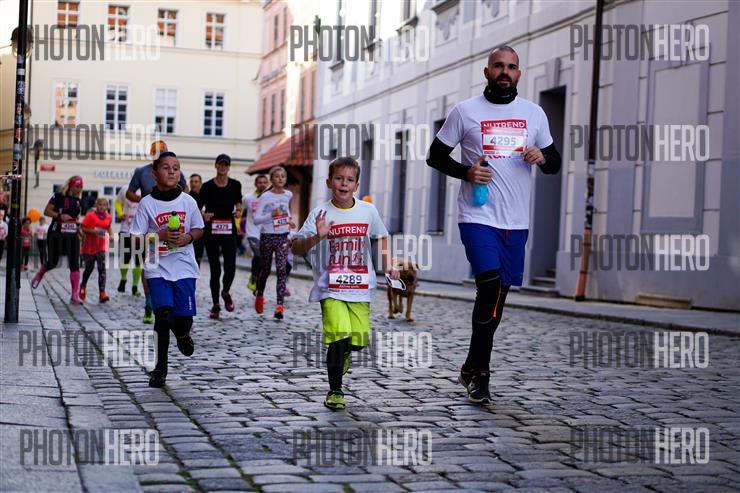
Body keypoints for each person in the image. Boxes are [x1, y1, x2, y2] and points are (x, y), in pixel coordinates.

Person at [426, 46, 562, 404]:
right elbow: (435, 156)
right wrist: (466, 172)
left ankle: (471, 364)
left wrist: (542, 155)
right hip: (477, 216)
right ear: (487, 72)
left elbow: (555, 162)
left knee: (499, 296)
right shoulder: (465, 111)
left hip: (515, 222)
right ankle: (481, 375)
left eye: (512, 67)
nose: (505, 72)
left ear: (519, 74)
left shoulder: (534, 114)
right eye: (498, 66)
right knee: (487, 286)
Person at [292, 157, 399, 410]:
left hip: (360, 287)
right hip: (330, 287)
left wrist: (389, 264)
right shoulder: (320, 213)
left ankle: (343, 355)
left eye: (349, 180)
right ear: (329, 182)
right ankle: (335, 390)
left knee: (358, 341)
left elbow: (382, 236)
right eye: (339, 178)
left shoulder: (367, 211)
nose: (344, 183)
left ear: (356, 185)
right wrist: (317, 237)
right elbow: (296, 248)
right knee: (338, 339)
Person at [129, 151, 204, 388]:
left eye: (176, 167)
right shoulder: (147, 203)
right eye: (166, 167)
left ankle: (182, 334)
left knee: (183, 321)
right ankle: (160, 368)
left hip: (184, 268)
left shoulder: (188, 201)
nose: (172, 171)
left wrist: (187, 238)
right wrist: (158, 236)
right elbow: (134, 239)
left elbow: (199, 228)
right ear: (154, 174)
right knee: (162, 316)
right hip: (157, 267)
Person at [126, 140, 187, 323]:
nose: (159, 154)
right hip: (148, 221)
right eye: (156, 152)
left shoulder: (173, 169)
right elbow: (129, 193)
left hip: (170, 220)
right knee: (149, 264)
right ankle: (149, 301)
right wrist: (145, 201)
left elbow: (185, 189)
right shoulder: (141, 171)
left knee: (171, 258)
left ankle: (169, 299)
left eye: (163, 151)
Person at [199, 154, 242, 319]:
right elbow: (198, 207)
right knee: (215, 269)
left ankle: (225, 291)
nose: (223, 167)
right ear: (216, 166)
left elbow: (238, 202)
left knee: (230, 266)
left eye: (226, 165)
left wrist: (238, 210)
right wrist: (203, 215)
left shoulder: (235, 185)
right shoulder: (207, 186)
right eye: (220, 164)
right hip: (212, 231)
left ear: (229, 167)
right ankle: (215, 304)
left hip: (228, 230)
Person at [31, 175, 85, 304]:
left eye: (81, 187)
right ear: (70, 185)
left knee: (75, 263)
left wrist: (78, 226)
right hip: (56, 233)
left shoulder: (78, 200)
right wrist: (60, 215)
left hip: (72, 234)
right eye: (77, 186)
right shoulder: (59, 196)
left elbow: (75, 217)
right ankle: (40, 274)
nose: (79, 189)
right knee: (53, 262)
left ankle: (74, 294)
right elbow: (47, 211)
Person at [253, 166, 295, 319]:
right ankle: (260, 294)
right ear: (271, 179)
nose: (280, 179)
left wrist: (289, 221)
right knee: (265, 270)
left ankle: (279, 306)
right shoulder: (265, 196)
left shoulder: (288, 195)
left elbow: (286, 211)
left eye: (283, 176)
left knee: (281, 269)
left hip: (282, 236)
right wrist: (271, 215)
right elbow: (256, 220)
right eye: (277, 176)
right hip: (267, 236)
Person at [80, 197, 113, 303]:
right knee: (89, 269)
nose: (102, 207)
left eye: (104, 205)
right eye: (100, 204)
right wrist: (92, 232)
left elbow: (108, 227)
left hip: (101, 247)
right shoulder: (90, 216)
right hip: (89, 247)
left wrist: (111, 235)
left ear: (107, 207)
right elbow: (82, 228)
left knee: (102, 270)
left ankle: (102, 293)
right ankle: (83, 286)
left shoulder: (108, 217)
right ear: (96, 205)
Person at [243, 174, 268, 293]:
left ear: (267, 184)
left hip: (266, 233)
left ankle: (257, 285)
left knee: (263, 260)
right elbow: (239, 210)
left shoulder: (271, 198)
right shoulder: (248, 198)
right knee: (258, 255)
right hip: (252, 232)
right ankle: (253, 276)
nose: (262, 184)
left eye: (264, 182)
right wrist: (237, 225)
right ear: (255, 184)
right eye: (260, 182)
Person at [115, 185, 142, 295]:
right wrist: (120, 213)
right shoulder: (125, 189)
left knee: (138, 260)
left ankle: (135, 286)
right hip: (125, 229)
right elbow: (117, 202)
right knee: (125, 258)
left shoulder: (146, 190)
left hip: (140, 232)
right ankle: (123, 278)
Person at [188, 173, 205, 265]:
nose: (193, 184)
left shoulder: (206, 197)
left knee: (198, 259)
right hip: (190, 231)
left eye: (196, 182)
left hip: (203, 232)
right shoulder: (186, 198)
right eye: (191, 182)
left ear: (200, 183)